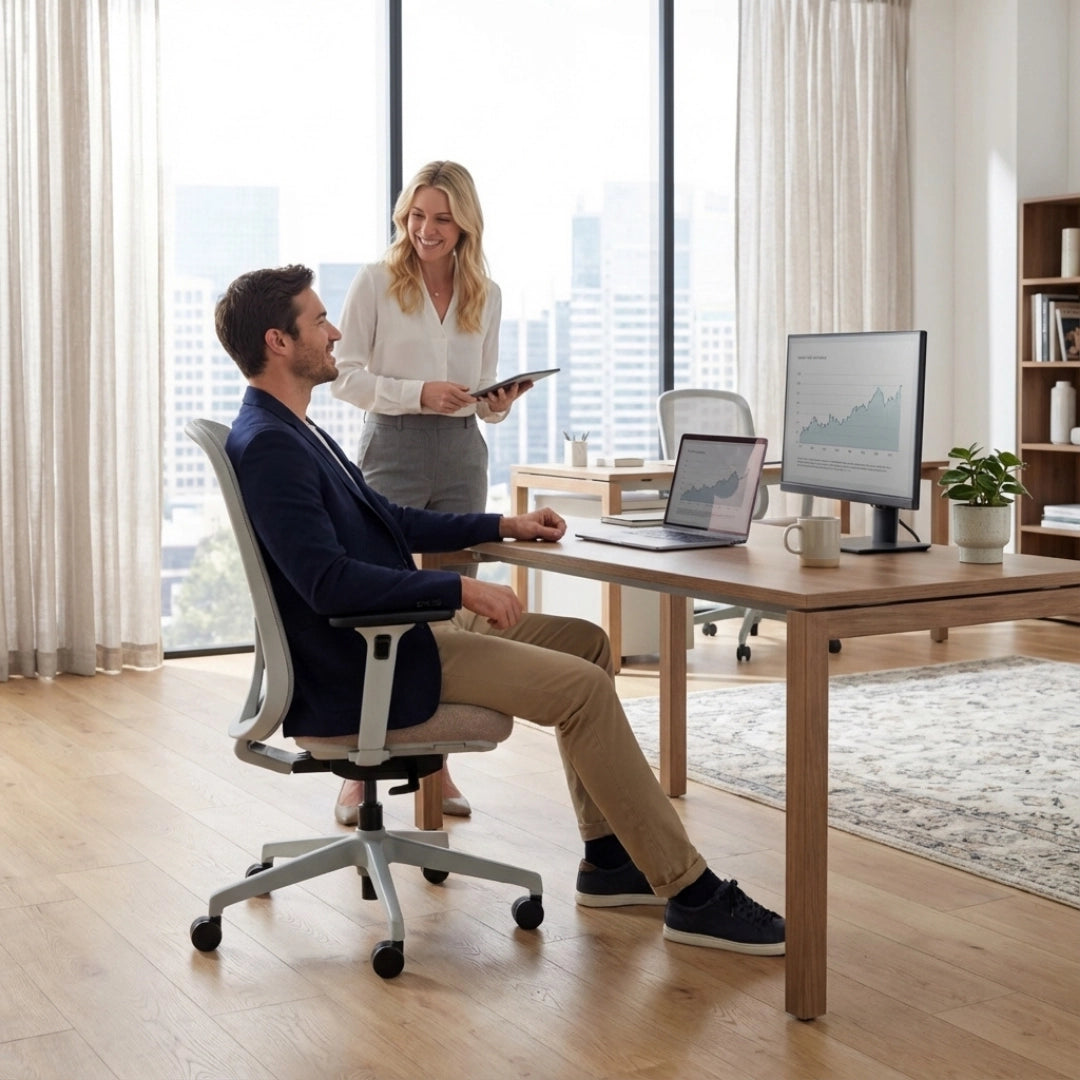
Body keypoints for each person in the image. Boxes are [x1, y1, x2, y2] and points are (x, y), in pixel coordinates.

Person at [213, 264, 785, 957]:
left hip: (395, 632)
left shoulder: (294, 429)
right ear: (279, 341)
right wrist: (457, 591)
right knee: (584, 691)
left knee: (588, 645)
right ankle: (690, 891)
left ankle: (608, 863)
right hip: (372, 657)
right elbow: (328, 584)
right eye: (319, 320)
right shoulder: (272, 446)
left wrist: (502, 526)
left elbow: (387, 520)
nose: (335, 332)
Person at [331, 161, 527, 820]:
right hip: (393, 447)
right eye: (417, 215)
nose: (426, 229)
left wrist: (498, 401)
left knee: (449, 613)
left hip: (461, 453)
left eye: (441, 217)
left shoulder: (486, 294)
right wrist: (417, 393)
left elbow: (484, 389)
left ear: (465, 222)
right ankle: (358, 771)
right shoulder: (377, 283)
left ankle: (435, 769)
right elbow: (344, 376)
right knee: (381, 612)